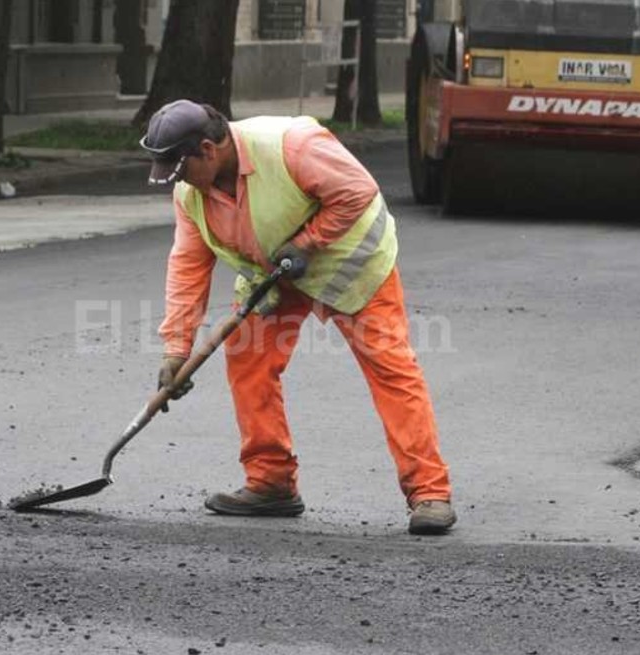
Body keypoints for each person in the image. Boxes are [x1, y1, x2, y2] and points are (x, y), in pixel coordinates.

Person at [138, 99, 456, 535]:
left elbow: (358, 192)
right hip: (275, 274)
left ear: (209, 151)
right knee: (248, 359)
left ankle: (429, 492)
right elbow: (189, 266)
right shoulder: (190, 194)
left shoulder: (292, 145)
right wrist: (176, 349)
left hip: (350, 265)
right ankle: (271, 482)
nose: (181, 183)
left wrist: (307, 243)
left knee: (390, 367)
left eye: (181, 168)